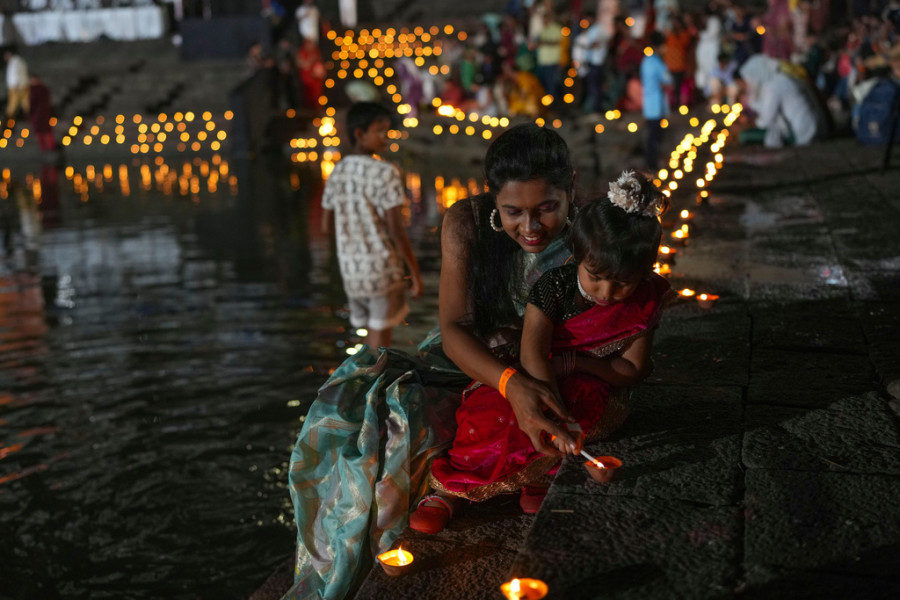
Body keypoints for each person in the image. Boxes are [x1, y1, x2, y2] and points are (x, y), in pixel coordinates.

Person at [283, 124, 577, 600]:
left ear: (572, 190)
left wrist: (526, 374)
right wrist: (508, 382)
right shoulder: (465, 223)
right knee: (370, 415)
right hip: (466, 359)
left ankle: (471, 484)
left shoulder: (588, 239)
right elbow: (457, 328)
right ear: (492, 202)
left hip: (546, 362)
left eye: (547, 207)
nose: (531, 227)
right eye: (513, 212)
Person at [413, 170, 672, 531]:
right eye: (595, 276)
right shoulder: (554, 287)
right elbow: (532, 353)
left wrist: (578, 364)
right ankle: (451, 489)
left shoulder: (647, 298)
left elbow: (633, 370)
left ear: (644, 274)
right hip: (535, 371)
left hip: (590, 380)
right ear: (577, 256)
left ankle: (537, 476)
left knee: (580, 402)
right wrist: (546, 401)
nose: (607, 293)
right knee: (489, 411)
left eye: (622, 284)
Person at [320, 102, 423, 350]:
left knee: (366, 338)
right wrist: (415, 272)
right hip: (381, 269)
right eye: (380, 130)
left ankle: (364, 384)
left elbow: (326, 225)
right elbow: (396, 230)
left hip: (351, 271)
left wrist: (351, 242)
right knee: (379, 345)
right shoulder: (385, 172)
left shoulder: (338, 171)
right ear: (359, 134)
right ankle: (373, 387)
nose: (386, 137)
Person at [737, 54, 827, 148]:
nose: (750, 83)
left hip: (806, 133)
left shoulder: (775, 85)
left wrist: (746, 125)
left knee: (745, 136)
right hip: (815, 128)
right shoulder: (782, 79)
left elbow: (766, 120)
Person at [641, 31, 673, 170]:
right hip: (657, 104)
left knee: (652, 136)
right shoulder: (657, 62)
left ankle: (651, 163)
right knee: (655, 138)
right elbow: (669, 82)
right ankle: (652, 165)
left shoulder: (645, 61)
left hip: (648, 104)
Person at [4, 45, 28, 126]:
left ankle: (10, 120)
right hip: (19, 85)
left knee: (14, 103)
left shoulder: (15, 61)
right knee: (23, 102)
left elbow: (16, 74)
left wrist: (17, 84)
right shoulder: (17, 61)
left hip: (17, 86)